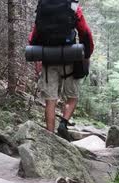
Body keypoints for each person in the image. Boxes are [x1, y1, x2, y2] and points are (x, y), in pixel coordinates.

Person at [28, 0, 94, 141]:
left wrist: (38, 57)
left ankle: (50, 138)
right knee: (72, 97)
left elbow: (34, 35)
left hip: (48, 59)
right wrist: (86, 55)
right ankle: (63, 123)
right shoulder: (73, 6)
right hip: (70, 59)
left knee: (50, 100)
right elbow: (85, 32)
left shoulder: (43, 6)